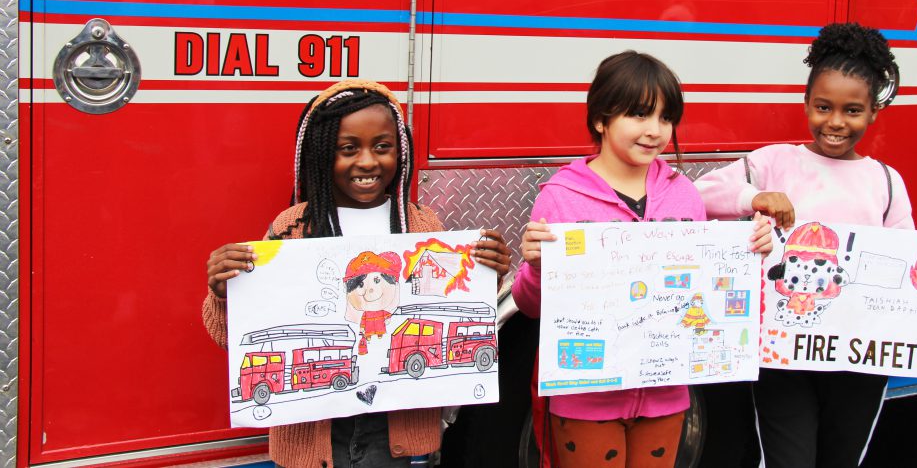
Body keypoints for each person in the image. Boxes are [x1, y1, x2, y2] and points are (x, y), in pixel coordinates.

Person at [695, 22, 917, 468]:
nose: (836, 122)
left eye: (852, 110)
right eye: (823, 107)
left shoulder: (884, 179)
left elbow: (908, 263)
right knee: (789, 458)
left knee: (843, 457)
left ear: (873, 114)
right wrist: (754, 197)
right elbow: (701, 196)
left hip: (860, 360)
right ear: (806, 104)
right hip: (783, 354)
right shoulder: (774, 161)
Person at [203, 80, 512, 468]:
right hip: (316, 429)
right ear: (319, 155)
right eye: (348, 149)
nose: (367, 162)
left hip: (391, 425)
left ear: (400, 153)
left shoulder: (419, 225)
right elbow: (229, 337)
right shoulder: (293, 228)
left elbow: (446, 302)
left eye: (382, 147)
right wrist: (223, 292)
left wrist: (487, 274)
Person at [513, 51, 773, 468]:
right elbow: (529, 305)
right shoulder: (559, 197)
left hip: (666, 394)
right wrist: (537, 267)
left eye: (666, 118)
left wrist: (749, 253)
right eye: (638, 114)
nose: (654, 131)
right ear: (601, 118)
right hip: (585, 396)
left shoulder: (684, 195)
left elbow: (703, 290)